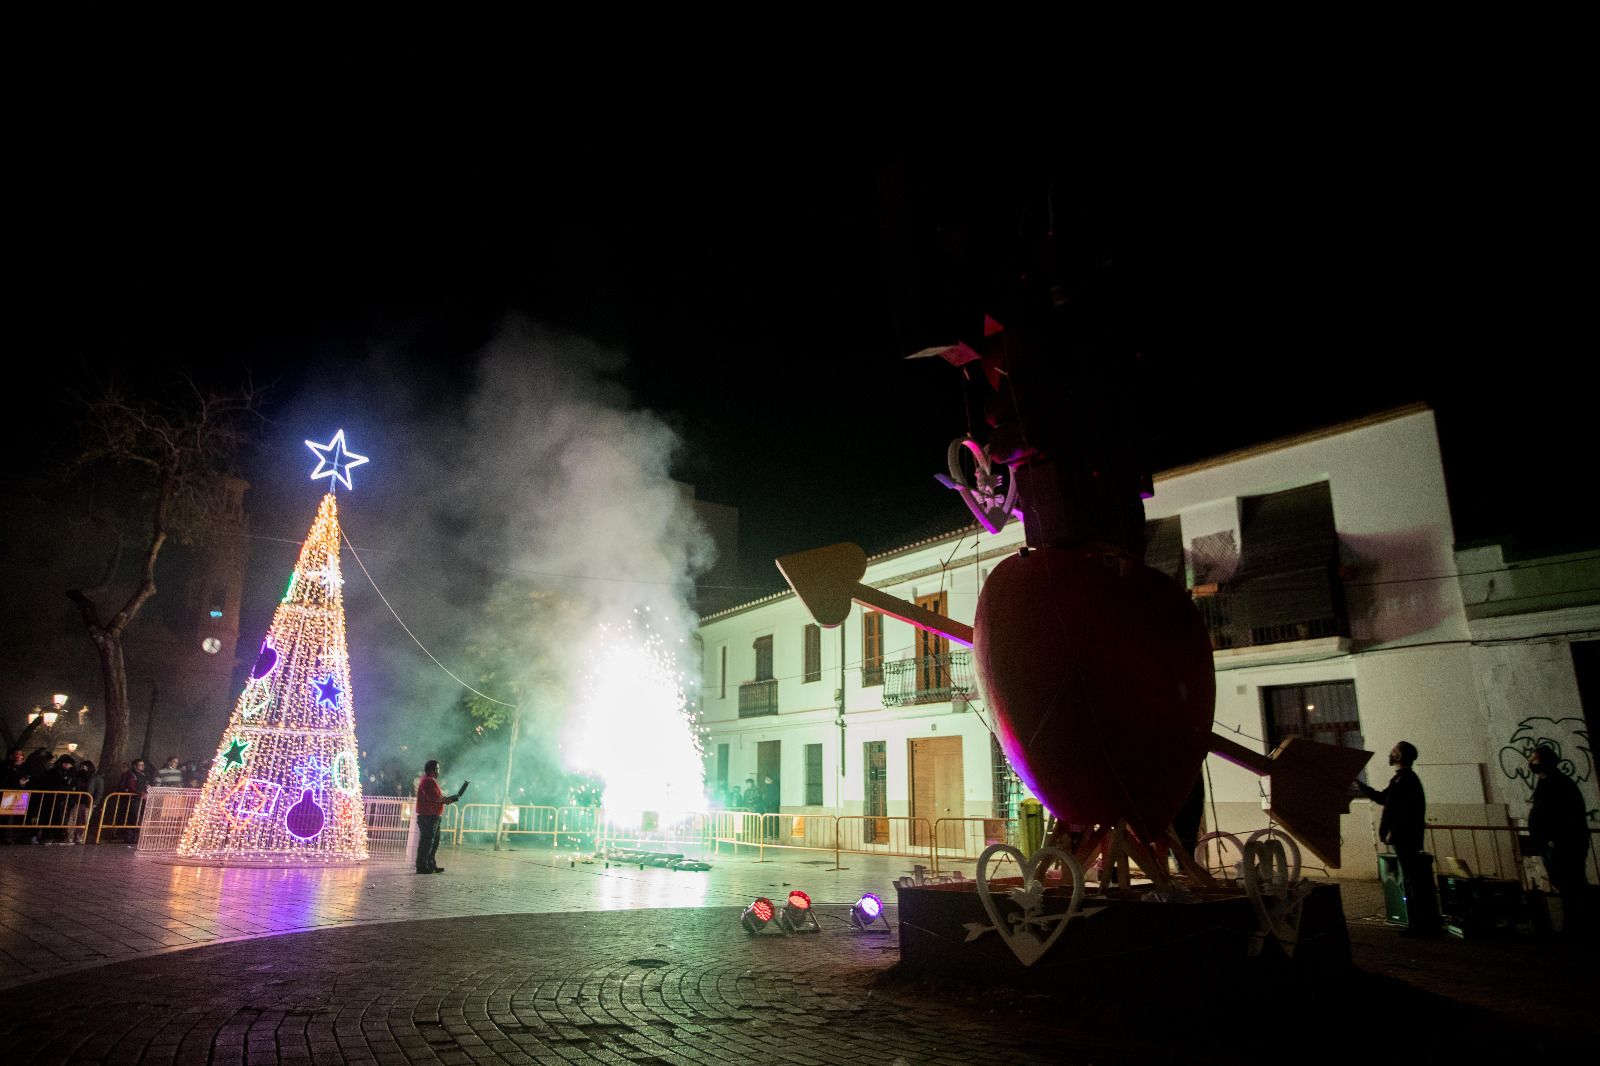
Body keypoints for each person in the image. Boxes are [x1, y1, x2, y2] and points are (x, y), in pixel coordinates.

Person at [1358, 740, 1439, 936]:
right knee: (1410, 881)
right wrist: (1360, 786)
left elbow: (1400, 810)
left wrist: (1391, 831)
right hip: (1404, 837)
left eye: (1394, 751)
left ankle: (1420, 926)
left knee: (1413, 881)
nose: (1390, 754)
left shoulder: (1406, 780)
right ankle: (1417, 923)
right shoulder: (1400, 779)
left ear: (1400, 756)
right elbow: (1382, 798)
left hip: (1406, 838)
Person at [1527, 745, 1593, 938]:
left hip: (1563, 845)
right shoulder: (1548, 783)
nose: (1530, 763)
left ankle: (1576, 929)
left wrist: (1554, 841)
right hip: (1553, 845)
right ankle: (1574, 927)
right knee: (1568, 886)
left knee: (1571, 887)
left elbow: (1566, 816)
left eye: (1534, 760)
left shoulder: (1558, 784)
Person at [415, 760, 468, 875]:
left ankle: (430, 864)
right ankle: (422, 866)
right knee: (427, 842)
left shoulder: (429, 781)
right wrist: (448, 799)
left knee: (433, 842)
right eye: (438, 769)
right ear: (433, 770)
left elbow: (437, 797)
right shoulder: (428, 781)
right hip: (428, 816)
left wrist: (447, 799)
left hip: (432, 815)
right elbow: (436, 798)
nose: (439, 771)